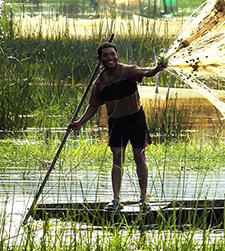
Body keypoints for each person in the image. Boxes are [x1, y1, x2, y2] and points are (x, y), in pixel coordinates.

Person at [68, 42, 167, 211]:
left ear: (117, 55)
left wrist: (157, 69)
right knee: (117, 159)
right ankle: (115, 199)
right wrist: (80, 123)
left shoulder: (128, 71)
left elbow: (146, 72)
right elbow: (93, 106)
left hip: (136, 120)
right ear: (100, 59)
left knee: (139, 156)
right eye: (105, 55)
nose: (110, 57)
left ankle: (144, 199)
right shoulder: (99, 83)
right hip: (116, 122)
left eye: (112, 54)